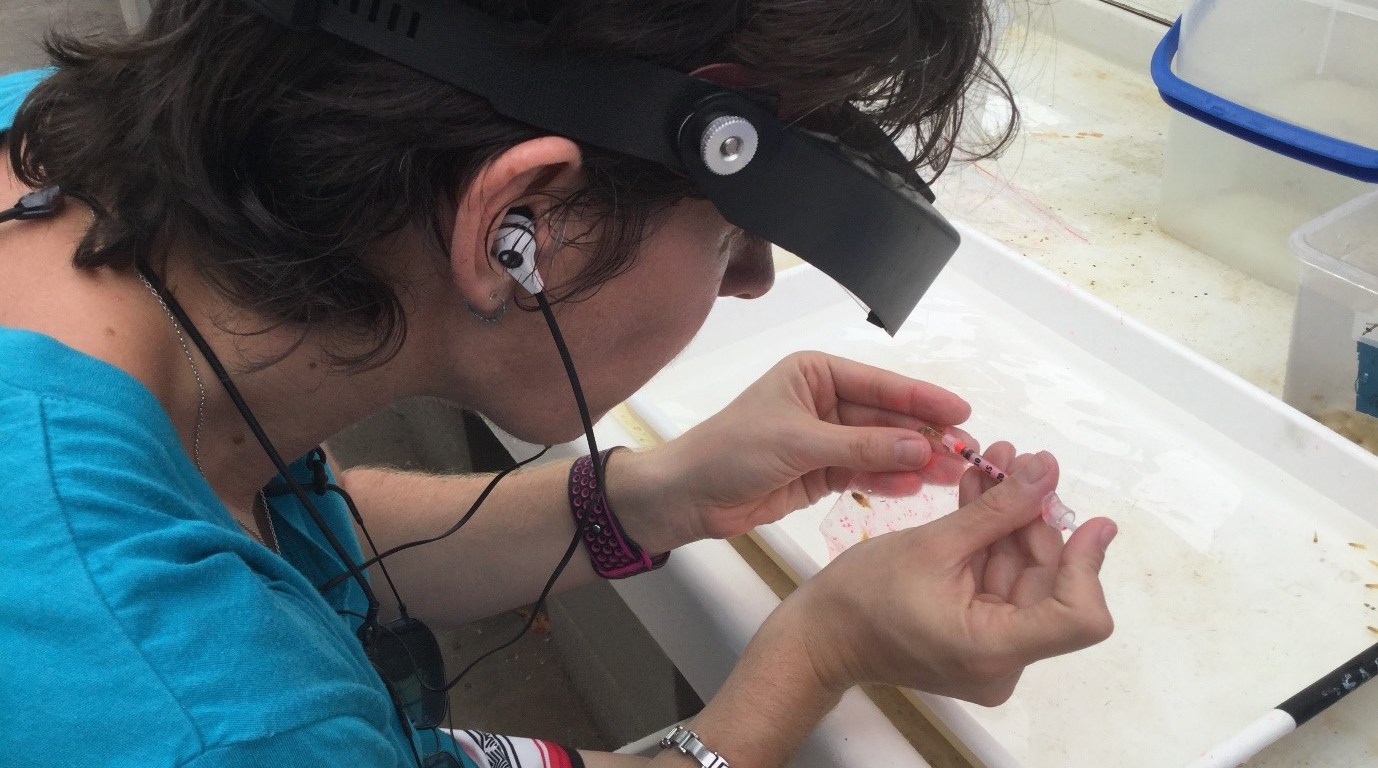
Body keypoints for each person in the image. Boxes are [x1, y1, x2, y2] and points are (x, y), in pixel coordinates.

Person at [0, 1, 1117, 767]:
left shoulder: (56, 146)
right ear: (517, 230)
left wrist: (658, 494)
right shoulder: (210, 721)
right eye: (732, 226)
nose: (750, 279)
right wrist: (818, 647)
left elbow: (251, 523)